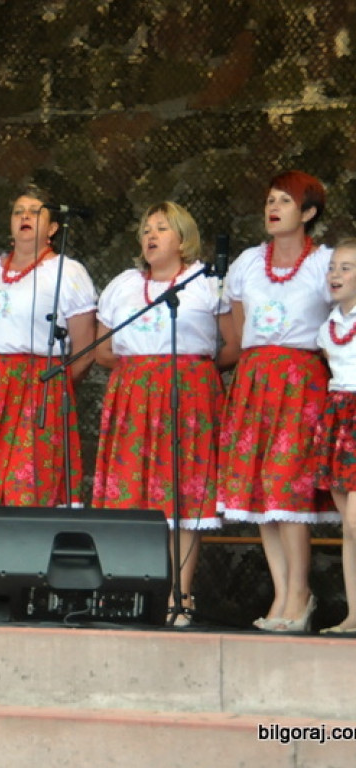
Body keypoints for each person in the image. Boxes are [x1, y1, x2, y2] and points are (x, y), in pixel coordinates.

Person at [92, 202, 240, 626]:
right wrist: (141, 374)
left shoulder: (206, 283)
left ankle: (181, 596)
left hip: (189, 393)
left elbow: (231, 346)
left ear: (182, 238)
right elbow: (102, 349)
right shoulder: (123, 285)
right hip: (134, 393)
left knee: (182, 493)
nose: (150, 236)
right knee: (128, 491)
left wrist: (192, 373)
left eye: (161, 228)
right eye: (145, 230)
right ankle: (126, 591)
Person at [219, 170, 337, 633]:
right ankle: (281, 593)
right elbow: (236, 329)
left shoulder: (324, 263)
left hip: (301, 379)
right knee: (261, 490)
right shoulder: (249, 263)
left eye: (285, 201)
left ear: (307, 213)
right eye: (270, 199)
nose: (273, 207)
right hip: (254, 378)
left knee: (288, 483)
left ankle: (301, 593)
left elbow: (342, 316)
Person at [0, 183, 96, 518]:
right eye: (18, 211)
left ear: (54, 228)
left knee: (28, 487)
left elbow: (85, 351)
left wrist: (53, 388)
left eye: (35, 211)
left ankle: (32, 568)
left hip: (37, 389)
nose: (25, 216)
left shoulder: (67, 272)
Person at [314, 237, 356, 634]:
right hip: (340, 415)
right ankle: (353, 616)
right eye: (333, 268)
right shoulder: (328, 327)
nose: (336, 274)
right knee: (348, 526)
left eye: (346, 267)